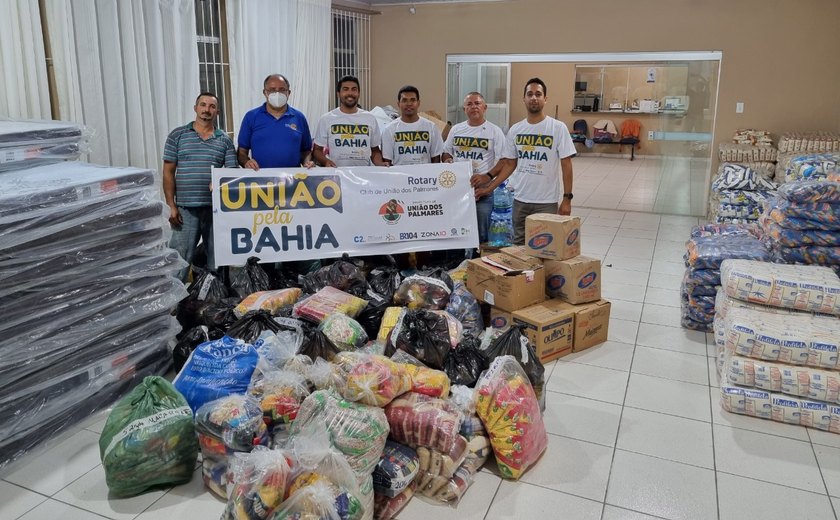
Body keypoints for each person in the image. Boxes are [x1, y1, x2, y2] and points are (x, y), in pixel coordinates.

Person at [163, 91, 238, 281]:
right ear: (195, 108)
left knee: (217, 258)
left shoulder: (224, 140)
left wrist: (219, 181)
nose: (207, 110)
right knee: (179, 258)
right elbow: (168, 172)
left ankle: (215, 299)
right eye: (203, 105)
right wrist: (171, 205)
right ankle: (172, 304)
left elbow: (232, 171)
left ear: (217, 112)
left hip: (216, 210)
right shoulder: (178, 135)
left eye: (212, 106)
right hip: (185, 209)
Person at [503, 78, 576, 245]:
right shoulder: (515, 129)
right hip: (520, 199)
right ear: (524, 99)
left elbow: (567, 165)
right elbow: (509, 164)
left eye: (538, 94)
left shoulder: (558, 128)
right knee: (518, 247)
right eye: (530, 94)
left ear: (545, 99)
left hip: (546, 202)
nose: (534, 98)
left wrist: (567, 199)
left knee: (545, 248)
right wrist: (490, 186)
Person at [442, 92, 516, 245]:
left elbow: (503, 161)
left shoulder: (495, 131)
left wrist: (487, 177)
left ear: (485, 107)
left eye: (477, 103)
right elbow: (446, 151)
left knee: (482, 233)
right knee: (457, 229)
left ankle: (479, 263)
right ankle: (457, 261)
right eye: (469, 104)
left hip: (482, 192)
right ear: (464, 109)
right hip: (458, 190)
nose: (473, 107)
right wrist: (448, 160)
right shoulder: (456, 130)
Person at [238, 74, 313, 169]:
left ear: (288, 93)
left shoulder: (299, 117)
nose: (277, 94)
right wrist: (247, 162)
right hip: (260, 180)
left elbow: (306, 151)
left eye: (282, 90)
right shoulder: (251, 117)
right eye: (272, 90)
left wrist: (308, 163)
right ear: (265, 92)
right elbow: (241, 153)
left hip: (293, 180)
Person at [313, 75, 385, 167]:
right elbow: (317, 150)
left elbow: (375, 151)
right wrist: (326, 161)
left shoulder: (370, 118)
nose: (350, 93)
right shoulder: (326, 119)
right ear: (338, 94)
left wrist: (380, 164)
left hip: (364, 177)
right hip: (338, 176)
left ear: (358, 93)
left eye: (354, 89)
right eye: (345, 89)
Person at [381, 85, 444, 165]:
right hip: (400, 176)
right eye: (404, 100)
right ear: (398, 104)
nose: (409, 104)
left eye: (413, 100)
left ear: (418, 103)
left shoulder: (431, 127)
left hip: (424, 176)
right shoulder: (389, 129)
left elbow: (436, 157)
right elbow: (387, 160)